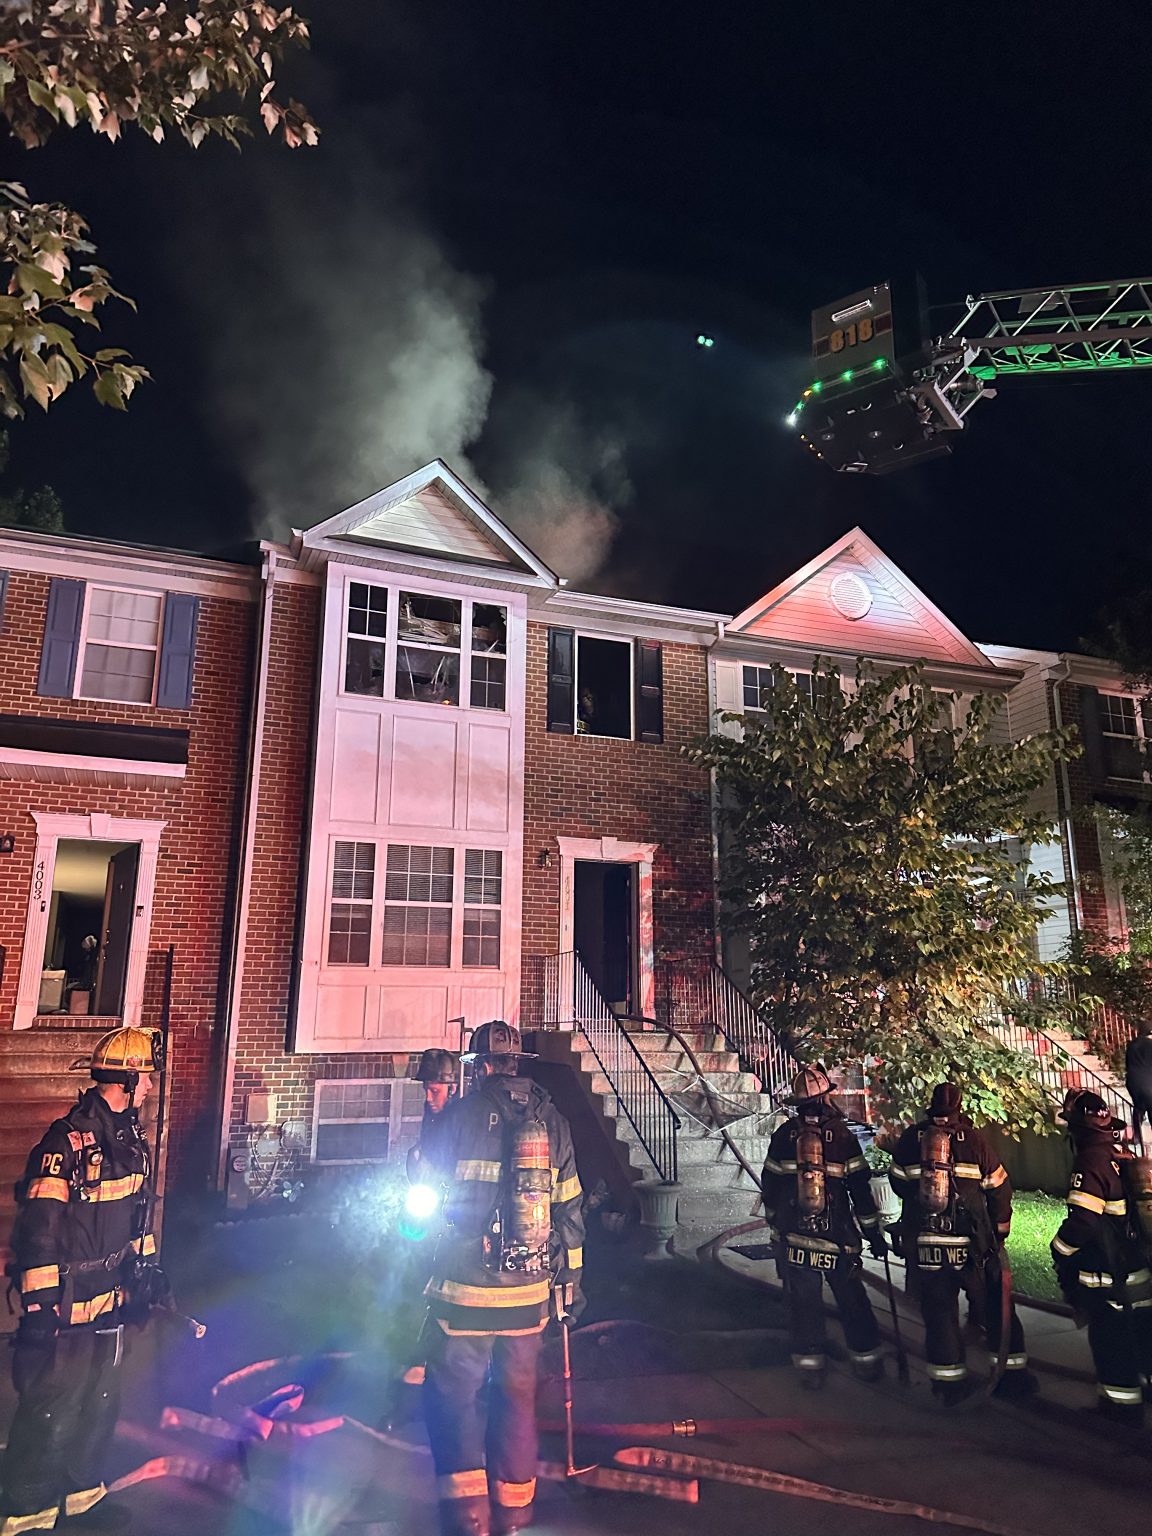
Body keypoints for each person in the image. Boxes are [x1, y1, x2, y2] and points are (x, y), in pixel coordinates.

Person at [421, 1021, 585, 1536]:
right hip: (532, 1293)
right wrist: (572, 1287)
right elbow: (571, 1209)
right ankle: (516, 1516)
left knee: (454, 1398)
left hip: (465, 1291)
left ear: (482, 1066)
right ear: (518, 1063)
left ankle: (469, 1520)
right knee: (516, 1400)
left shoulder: (461, 1115)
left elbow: (424, 1188)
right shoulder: (553, 1120)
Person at [0, 1026, 161, 1535]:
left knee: (101, 1396)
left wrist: (148, 1277)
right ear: (129, 1080)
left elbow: (138, 1219)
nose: (152, 1088)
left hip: (111, 1296)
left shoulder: (130, 1143)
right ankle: (25, 1511)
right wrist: (40, 1311)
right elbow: (40, 1234)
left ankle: (82, 1494)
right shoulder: (63, 1144)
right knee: (54, 1404)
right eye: (148, 1079)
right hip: (67, 1301)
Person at [890, 1082, 1032, 1405]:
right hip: (971, 1247)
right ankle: (1012, 1377)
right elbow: (1000, 1188)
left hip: (928, 1245)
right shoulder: (974, 1140)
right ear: (959, 1108)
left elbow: (897, 1182)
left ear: (931, 1107)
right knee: (997, 1303)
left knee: (939, 1313)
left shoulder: (913, 1139)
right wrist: (999, 1232)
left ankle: (949, 1386)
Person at [761, 1065, 885, 1390]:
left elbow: (770, 1187)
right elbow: (861, 1190)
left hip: (796, 1239)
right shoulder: (843, 1137)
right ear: (826, 1095)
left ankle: (811, 1370)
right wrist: (874, 1235)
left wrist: (776, 1224)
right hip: (838, 1240)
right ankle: (867, 1363)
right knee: (852, 1299)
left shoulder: (784, 1136)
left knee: (804, 1304)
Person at [1051, 1090, 1152, 1424]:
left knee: (1111, 1343)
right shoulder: (1121, 1155)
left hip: (1107, 1276)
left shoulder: (1090, 1161)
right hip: (1137, 1270)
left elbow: (1083, 1221)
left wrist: (1059, 1249)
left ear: (1079, 1129)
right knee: (1142, 1336)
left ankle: (1120, 1411)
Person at [1124, 1019, 1152, 1147]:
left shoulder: (1131, 1045)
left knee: (1139, 1107)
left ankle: (1136, 1136)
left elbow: (1128, 1064)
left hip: (1133, 1081)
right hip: (1149, 1083)